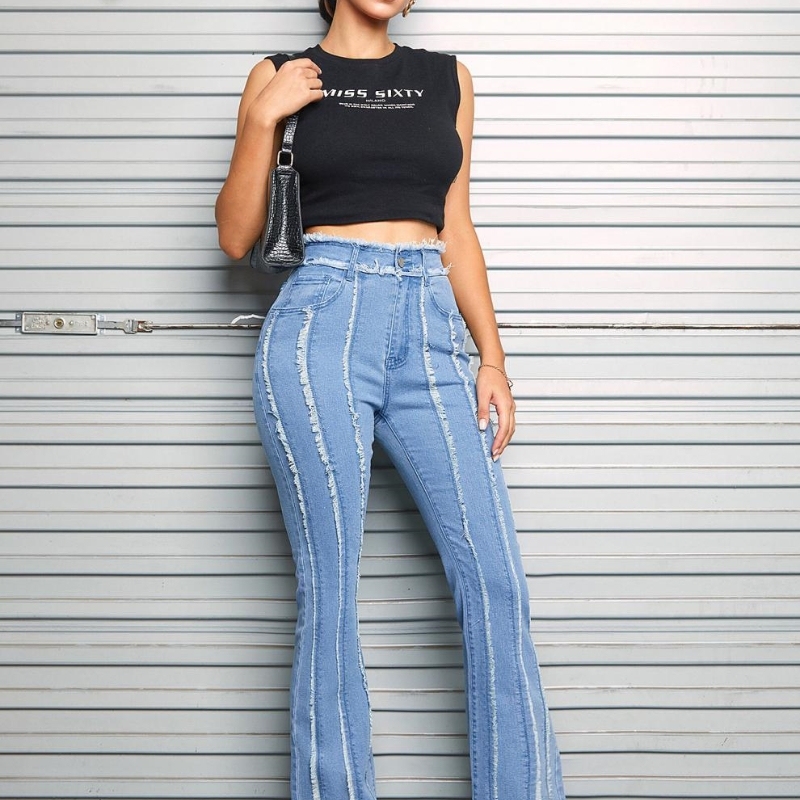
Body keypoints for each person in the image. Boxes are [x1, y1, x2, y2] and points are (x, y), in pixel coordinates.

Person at [215, 1, 566, 798]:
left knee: (496, 581)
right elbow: (236, 238)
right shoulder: (278, 75)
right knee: (331, 589)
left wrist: (492, 357)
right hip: (321, 320)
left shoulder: (448, 78)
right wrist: (264, 117)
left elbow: (458, 226)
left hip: (430, 323)